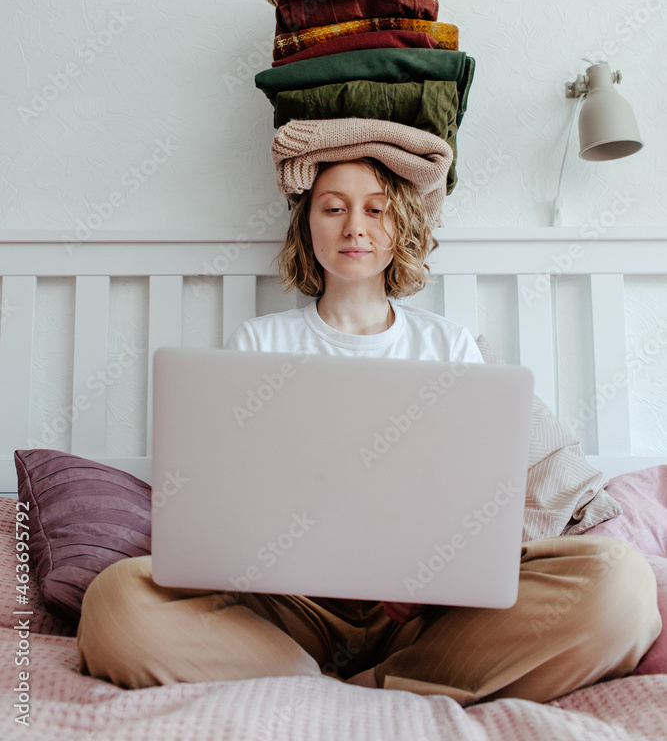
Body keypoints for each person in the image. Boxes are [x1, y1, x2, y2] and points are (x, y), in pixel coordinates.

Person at [76, 158, 661, 702]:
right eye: (333, 208)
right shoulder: (261, 343)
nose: (355, 226)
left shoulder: (449, 345)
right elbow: (237, 495)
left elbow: (483, 497)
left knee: (622, 587)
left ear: (401, 224)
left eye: (376, 209)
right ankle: (308, 679)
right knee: (115, 600)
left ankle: (380, 679)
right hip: (287, 608)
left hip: (425, 613)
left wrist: (434, 571)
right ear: (308, 226)